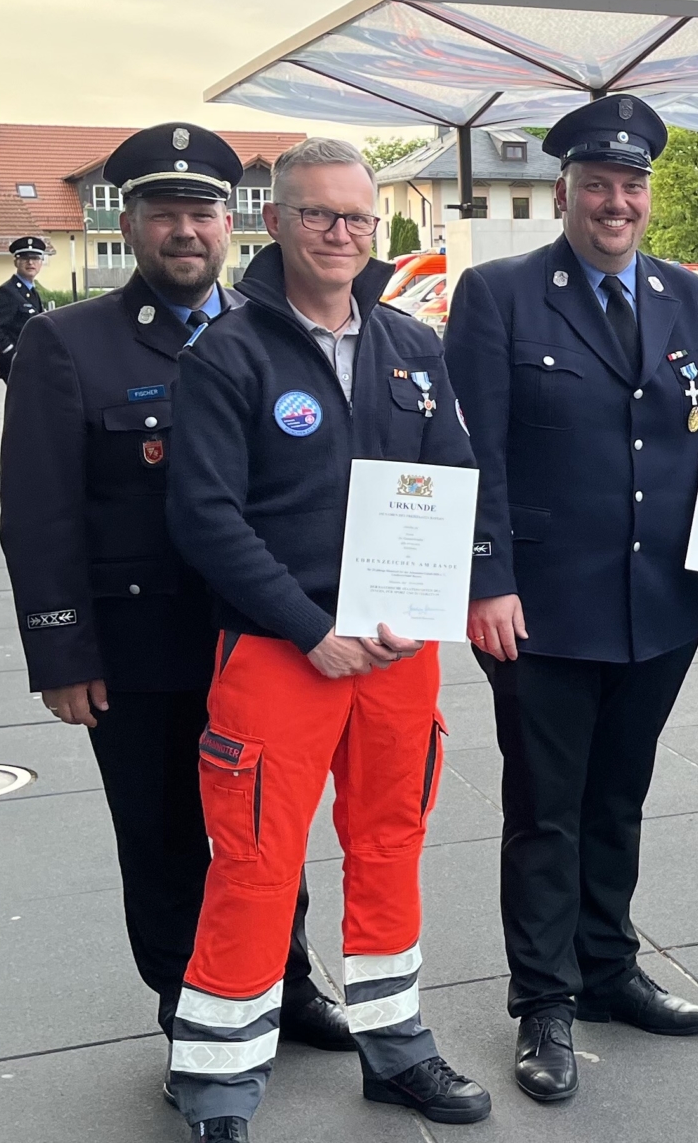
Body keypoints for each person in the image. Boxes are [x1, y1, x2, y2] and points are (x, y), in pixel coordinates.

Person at [0, 125, 353, 1099]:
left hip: (266, 641)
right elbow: (38, 513)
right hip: (144, 646)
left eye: (203, 211)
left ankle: (288, 980)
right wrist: (62, 651)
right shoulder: (66, 344)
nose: (187, 230)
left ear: (230, 223)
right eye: (166, 213)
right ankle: (187, 1005)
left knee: (267, 825)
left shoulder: (281, 332)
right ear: (133, 225)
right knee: (159, 834)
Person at [166, 137, 493, 1139]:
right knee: (256, 862)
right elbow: (205, 519)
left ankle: (395, 1050)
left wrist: (426, 603)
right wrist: (312, 629)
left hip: (395, 654)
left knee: (390, 845)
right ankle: (218, 1086)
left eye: (358, 217)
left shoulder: (411, 345)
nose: (343, 234)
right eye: (320, 215)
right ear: (276, 222)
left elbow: (448, 483)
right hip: (280, 652)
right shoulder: (227, 353)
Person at [442, 95, 698, 1105]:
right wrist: (485, 576)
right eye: (597, 185)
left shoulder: (689, 298)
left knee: (617, 797)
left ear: (646, 196)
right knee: (545, 807)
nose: (615, 202)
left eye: (631, 186)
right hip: (538, 606)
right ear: (566, 193)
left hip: (656, 600)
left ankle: (608, 968)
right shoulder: (497, 294)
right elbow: (469, 449)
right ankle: (543, 998)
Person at [0, 234, 53, 381]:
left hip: (31, 363)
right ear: (16, 262)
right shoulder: (7, 292)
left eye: (35, 258)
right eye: (24, 258)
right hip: (16, 366)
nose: (30, 263)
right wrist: (13, 354)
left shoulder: (31, 291)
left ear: (41, 262)